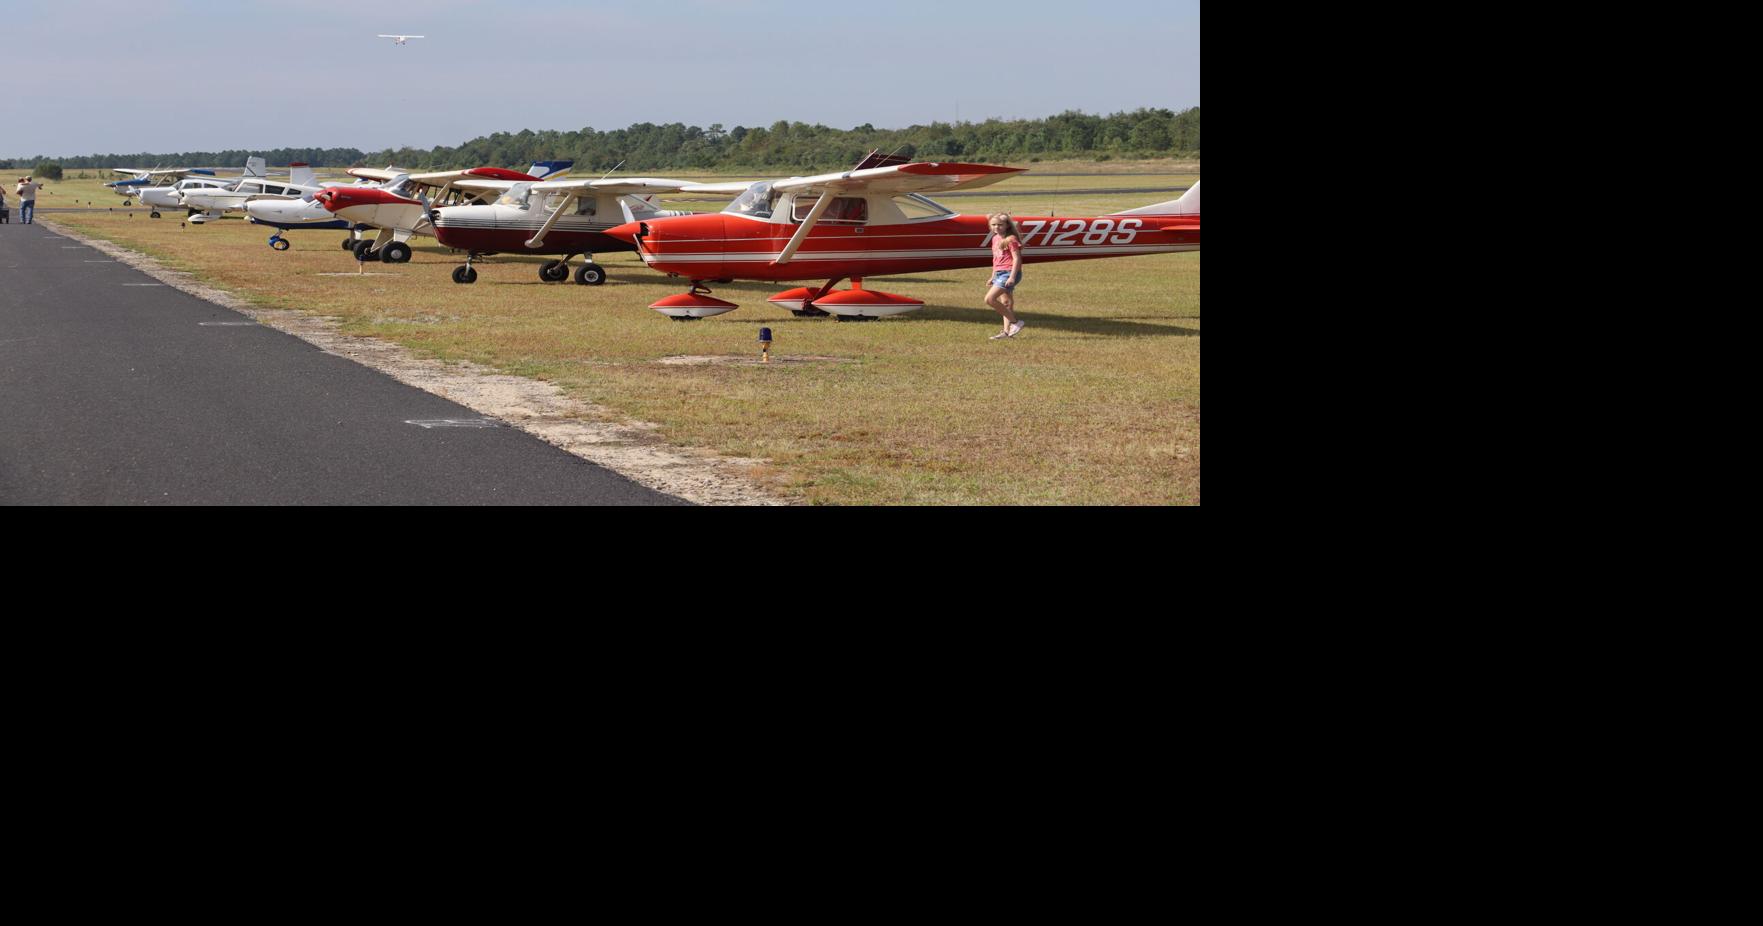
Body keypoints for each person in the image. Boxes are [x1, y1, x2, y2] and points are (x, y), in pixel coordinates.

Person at [985, 213, 1025, 339]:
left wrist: (1012, 277)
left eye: (1000, 225)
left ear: (1007, 225)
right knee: (1006, 302)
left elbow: (1017, 259)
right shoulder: (995, 238)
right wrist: (993, 276)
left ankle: (1016, 323)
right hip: (999, 273)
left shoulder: (1011, 239)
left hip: (1008, 273)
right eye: (994, 225)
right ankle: (1006, 333)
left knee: (989, 299)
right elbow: (996, 259)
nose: (996, 227)